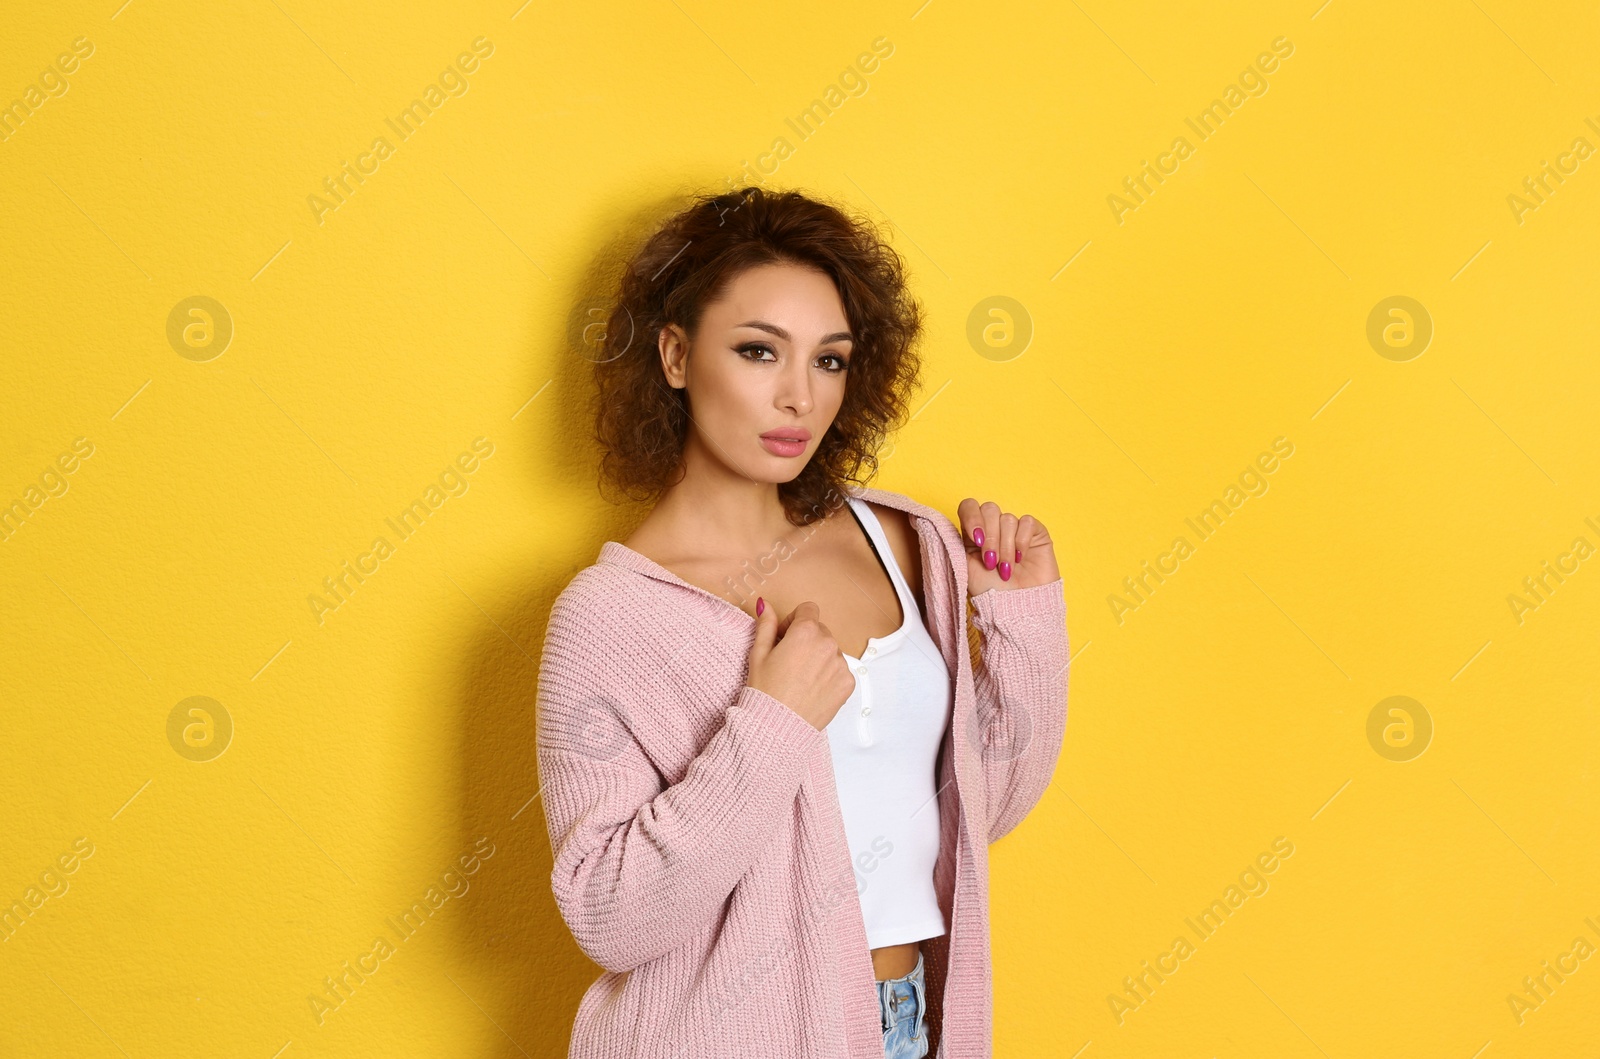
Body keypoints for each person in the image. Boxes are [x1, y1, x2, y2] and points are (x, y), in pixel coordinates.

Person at [536, 186, 1068, 1058]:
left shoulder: (906, 541)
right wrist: (771, 723)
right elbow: (610, 915)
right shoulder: (610, 618)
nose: (799, 398)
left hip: (908, 1024)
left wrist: (1024, 620)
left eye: (829, 360)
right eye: (758, 351)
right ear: (674, 355)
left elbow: (979, 809)